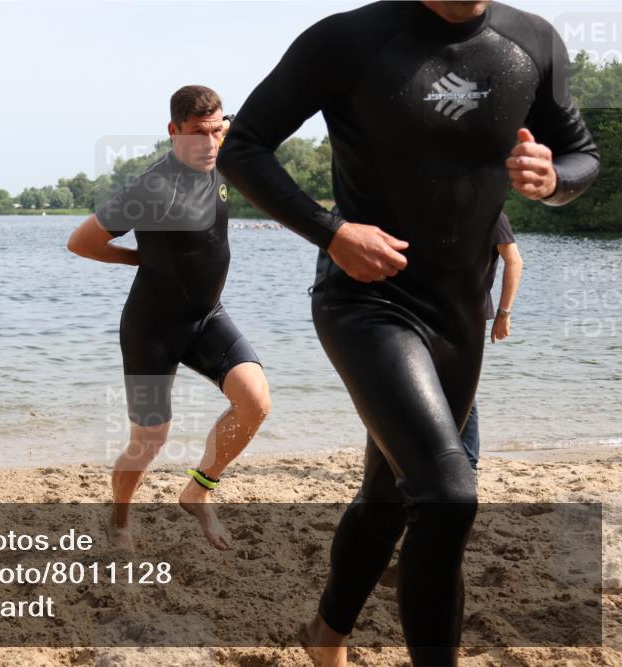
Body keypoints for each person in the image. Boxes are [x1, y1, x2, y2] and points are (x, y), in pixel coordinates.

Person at [217, 1, 598, 665]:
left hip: (461, 314)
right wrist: (332, 231)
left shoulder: (532, 41)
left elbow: (581, 155)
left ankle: (325, 636)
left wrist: (553, 178)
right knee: (447, 496)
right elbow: (243, 147)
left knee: (390, 497)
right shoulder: (348, 39)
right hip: (368, 300)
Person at [67, 85, 271, 551]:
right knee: (150, 440)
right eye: (197, 133)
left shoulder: (222, 150)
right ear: (173, 131)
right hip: (152, 329)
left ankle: (198, 490)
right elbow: (81, 242)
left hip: (207, 316)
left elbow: (255, 115)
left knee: (255, 402)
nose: (209, 142)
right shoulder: (151, 187)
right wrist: (140, 259)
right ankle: (120, 520)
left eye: (216, 131)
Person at [461, 211, 523, 471]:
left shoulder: (493, 215)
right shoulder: (437, 207)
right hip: (426, 309)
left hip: (468, 314)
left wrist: (504, 313)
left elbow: (514, 261)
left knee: (462, 387)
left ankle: (469, 465)